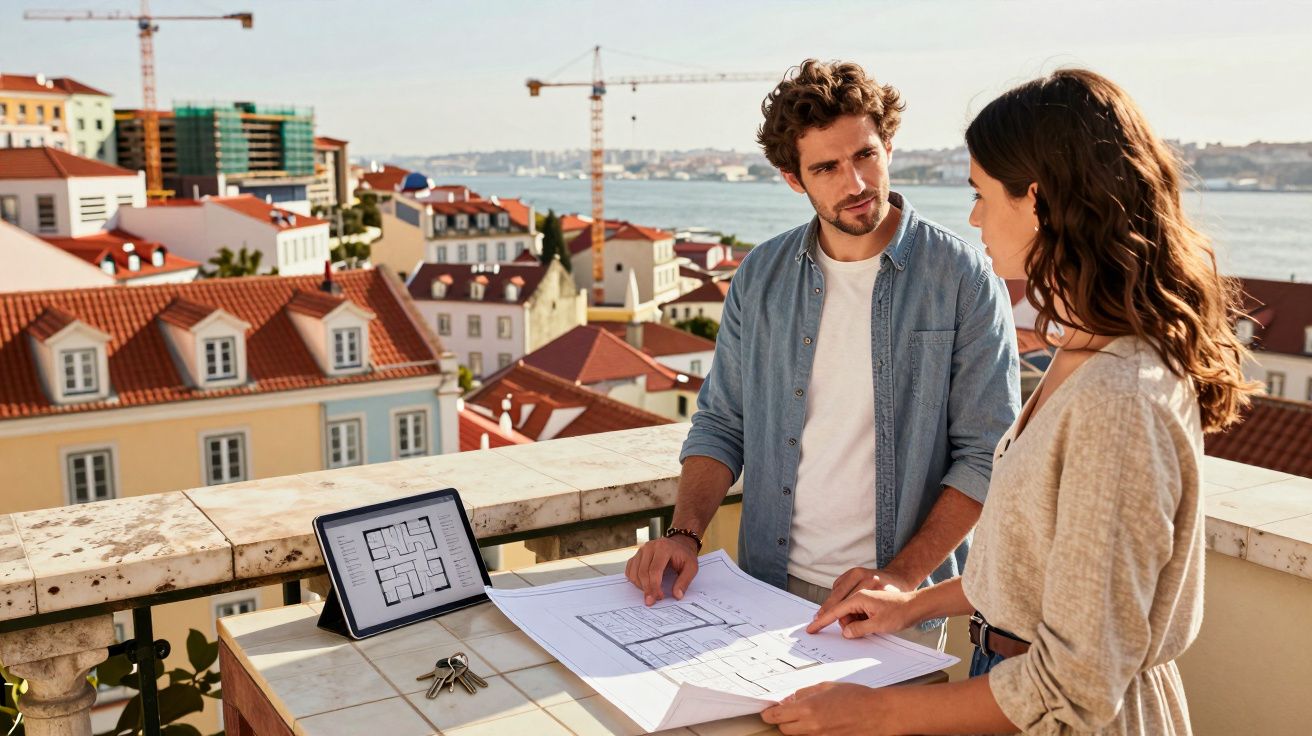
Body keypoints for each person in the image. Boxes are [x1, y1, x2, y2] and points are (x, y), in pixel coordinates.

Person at [763, 68, 1258, 735]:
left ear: (1041, 201)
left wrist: (872, 711)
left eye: (981, 193)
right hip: (1000, 689)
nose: (972, 216)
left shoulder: (1118, 398)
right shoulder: (1082, 349)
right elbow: (1046, 566)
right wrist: (908, 604)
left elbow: (1075, 685)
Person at [624, 59, 1019, 651]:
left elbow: (986, 455)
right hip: (762, 589)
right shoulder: (760, 275)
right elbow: (721, 422)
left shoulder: (962, 277)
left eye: (865, 156)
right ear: (793, 178)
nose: (855, 184)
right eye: (827, 168)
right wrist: (683, 533)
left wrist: (903, 582)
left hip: (889, 606)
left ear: (889, 145)